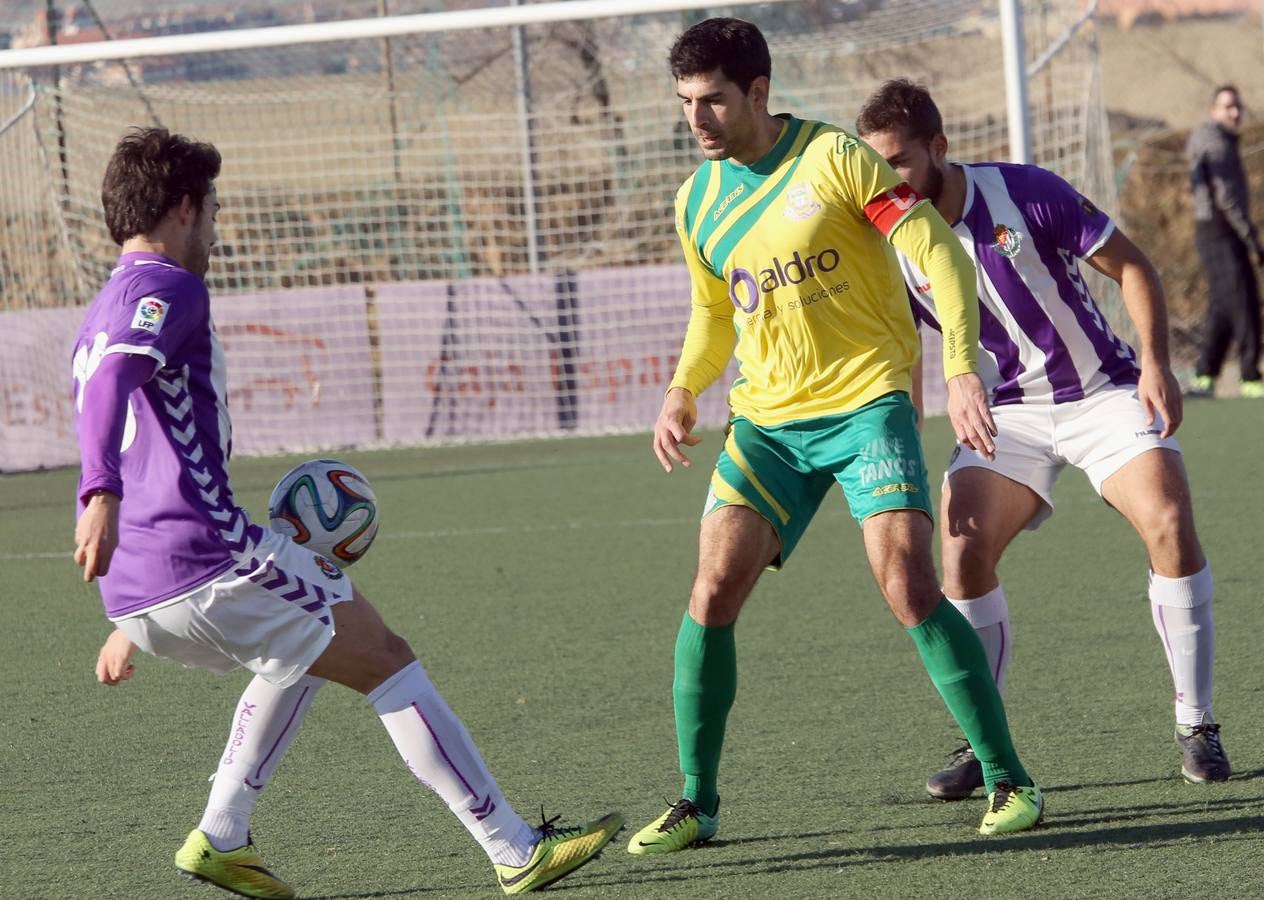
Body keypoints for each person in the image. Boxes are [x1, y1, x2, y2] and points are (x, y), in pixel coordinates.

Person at [74, 127, 622, 899]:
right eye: (214, 210)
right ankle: (514, 847)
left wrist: (129, 608)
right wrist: (97, 494)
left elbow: (135, 430)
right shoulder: (171, 287)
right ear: (185, 207)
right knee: (389, 661)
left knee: (298, 649)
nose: (217, 230)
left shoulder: (101, 308)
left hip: (142, 584)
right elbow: (110, 396)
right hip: (207, 560)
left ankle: (222, 835)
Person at [627, 19, 1043, 856]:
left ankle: (1008, 778)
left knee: (908, 584)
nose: (698, 120)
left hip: (865, 407)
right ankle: (696, 801)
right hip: (768, 423)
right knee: (711, 594)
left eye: (712, 100)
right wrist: (681, 390)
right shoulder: (696, 200)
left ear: (758, 92)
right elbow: (715, 311)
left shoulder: (836, 159)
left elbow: (937, 252)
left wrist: (961, 367)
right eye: (685, 104)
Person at [856, 78, 1229, 800]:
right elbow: (900, 343)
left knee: (1170, 522)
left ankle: (1198, 722)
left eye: (898, 162)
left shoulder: (1026, 192)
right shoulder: (886, 242)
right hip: (1006, 416)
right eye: (875, 167)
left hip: (1101, 395)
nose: (886, 181)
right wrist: (911, 415)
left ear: (937, 148)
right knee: (960, 559)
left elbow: (1132, 266)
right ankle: (982, 738)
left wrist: (1155, 365)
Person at [1186, 85, 1263, 398]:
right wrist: (1251, 238)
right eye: (1227, 106)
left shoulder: (1222, 140)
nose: (1234, 112)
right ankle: (1249, 376)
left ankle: (1204, 374)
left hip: (1221, 231)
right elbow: (1226, 196)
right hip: (1219, 231)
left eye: (1237, 107)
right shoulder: (1214, 141)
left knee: (1223, 304)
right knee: (1243, 300)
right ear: (1213, 110)